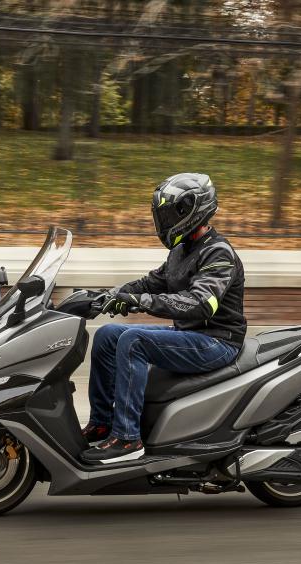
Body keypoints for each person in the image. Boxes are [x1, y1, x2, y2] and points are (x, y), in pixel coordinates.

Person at [80, 173, 247, 464]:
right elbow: (150, 283)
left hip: (216, 341)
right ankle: (103, 423)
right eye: (163, 215)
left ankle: (128, 439)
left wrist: (139, 302)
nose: (165, 221)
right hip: (189, 335)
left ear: (192, 211)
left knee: (133, 341)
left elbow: (199, 304)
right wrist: (106, 296)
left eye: (171, 214)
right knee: (107, 335)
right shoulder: (181, 251)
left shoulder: (218, 253)